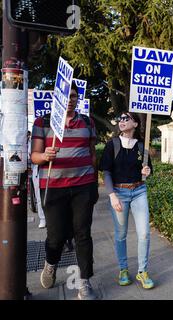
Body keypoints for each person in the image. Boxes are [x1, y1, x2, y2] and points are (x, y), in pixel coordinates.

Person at [31, 83, 98, 300]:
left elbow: (92, 155)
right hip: (54, 188)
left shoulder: (87, 122)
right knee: (56, 236)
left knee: (82, 234)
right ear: (57, 98)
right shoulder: (42, 122)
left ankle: (85, 283)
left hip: (83, 186)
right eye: (66, 96)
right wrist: (45, 157)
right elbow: (35, 156)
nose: (70, 99)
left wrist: (94, 184)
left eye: (74, 96)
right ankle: (51, 264)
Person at [99, 112, 154, 289]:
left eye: (126, 118)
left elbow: (148, 169)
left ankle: (142, 271)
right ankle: (123, 269)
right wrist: (112, 195)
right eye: (120, 119)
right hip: (119, 193)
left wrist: (147, 171)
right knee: (121, 234)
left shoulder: (141, 146)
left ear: (136, 124)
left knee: (144, 233)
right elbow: (106, 171)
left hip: (139, 191)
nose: (122, 121)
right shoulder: (112, 145)